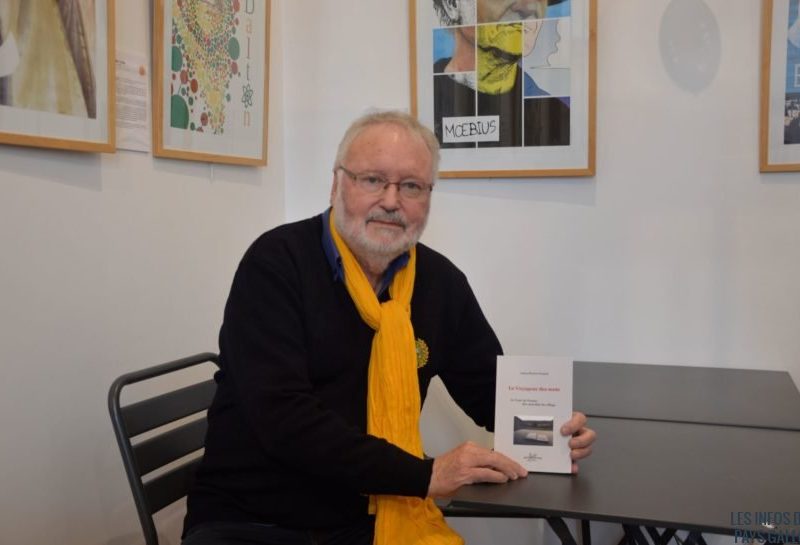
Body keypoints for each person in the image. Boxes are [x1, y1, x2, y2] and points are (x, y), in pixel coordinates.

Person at [181, 111, 596, 545]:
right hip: (254, 520)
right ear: (337, 184)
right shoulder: (275, 264)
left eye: (411, 186)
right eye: (373, 180)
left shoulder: (440, 284)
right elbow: (284, 421)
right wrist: (425, 474)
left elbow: (490, 392)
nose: (391, 201)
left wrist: (555, 432)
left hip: (370, 518)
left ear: (428, 198)